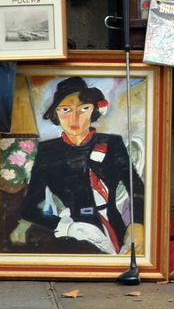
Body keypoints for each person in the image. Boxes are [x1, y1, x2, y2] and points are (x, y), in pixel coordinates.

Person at [19, 77, 146, 255]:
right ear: (56, 114)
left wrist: (137, 224)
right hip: (75, 234)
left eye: (84, 109)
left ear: (94, 110)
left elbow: (137, 188)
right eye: (65, 110)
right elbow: (28, 209)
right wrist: (65, 226)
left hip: (116, 226)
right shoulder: (48, 151)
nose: (75, 118)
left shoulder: (112, 143)